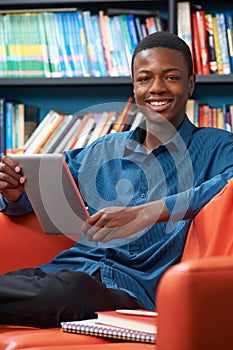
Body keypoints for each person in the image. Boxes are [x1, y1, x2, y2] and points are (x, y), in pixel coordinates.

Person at [0, 31, 233, 328]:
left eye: (171, 77)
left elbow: (230, 183)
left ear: (190, 84)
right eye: (144, 78)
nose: (156, 88)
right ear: (134, 87)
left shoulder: (215, 146)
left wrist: (149, 212)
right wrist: (15, 193)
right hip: (64, 271)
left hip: (129, 291)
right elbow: (40, 192)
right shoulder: (105, 149)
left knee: (73, 291)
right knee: (36, 283)